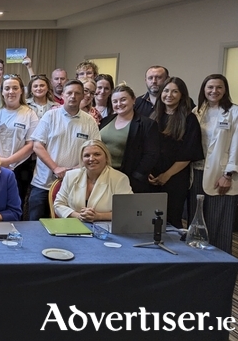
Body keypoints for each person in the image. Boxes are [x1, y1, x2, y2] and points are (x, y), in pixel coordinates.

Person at [29, 80, 101, 220]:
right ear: (62, 95)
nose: (73, 96)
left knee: (69, 231)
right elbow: (37, 146)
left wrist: (74, 170)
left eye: (77, 93)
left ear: (82, 96)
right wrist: (56, 168)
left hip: (74, 186)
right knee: (34, 227)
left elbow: (95, 150)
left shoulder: (89, 121)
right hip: (43, 184)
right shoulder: (50, 116)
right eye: (69, 93)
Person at [189, 74, 238, 253]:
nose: (214, 91)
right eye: (210, 87)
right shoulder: (197, 112)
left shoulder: (234, 112)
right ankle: (198, 262)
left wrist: (228, 174)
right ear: (204, 89)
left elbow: (236, 146)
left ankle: (221, 265)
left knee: (219, 223)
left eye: (219, 87)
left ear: (225, 90)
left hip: (221, 175)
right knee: (197, 221)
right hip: (197, 172)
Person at [149, 77, 203, 228]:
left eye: (175, 91)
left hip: (175, 178)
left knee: (172, 220)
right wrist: (148, 171)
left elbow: (188, 153)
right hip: (152, 178)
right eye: (166, 90)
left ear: (182, 95)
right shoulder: (154, 116)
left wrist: (166, 176)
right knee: (150, 219)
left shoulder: (189, 119)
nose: (169, 95)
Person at [0, 74, 38, 206]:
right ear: (2, 91)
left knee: (15, 204)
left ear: (21, 90)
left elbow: (30, 144)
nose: (11, 92)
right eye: (7, 88)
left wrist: (8, 161)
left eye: (15, 88)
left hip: (19, 167)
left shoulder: (29, 113)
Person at [99, 84, 159, 193]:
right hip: (102, 177)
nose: (119, 104)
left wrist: (137, 176)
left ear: (133, 100)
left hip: (129, 179)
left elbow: (151, 154)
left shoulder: (147, 124)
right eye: (115, 101)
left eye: (123, 100)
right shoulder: (105, 121)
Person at [53, 140, 133, 220]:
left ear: (106, 157)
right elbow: (58, 204)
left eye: (97, 154)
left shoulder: (119, 179)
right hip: (74, 225)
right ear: (82, 159)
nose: (91, 159)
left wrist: (98, 216)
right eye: (87, 155)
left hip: (106, 228)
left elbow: (127, 211)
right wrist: (79, 216)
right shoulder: (70, 176)